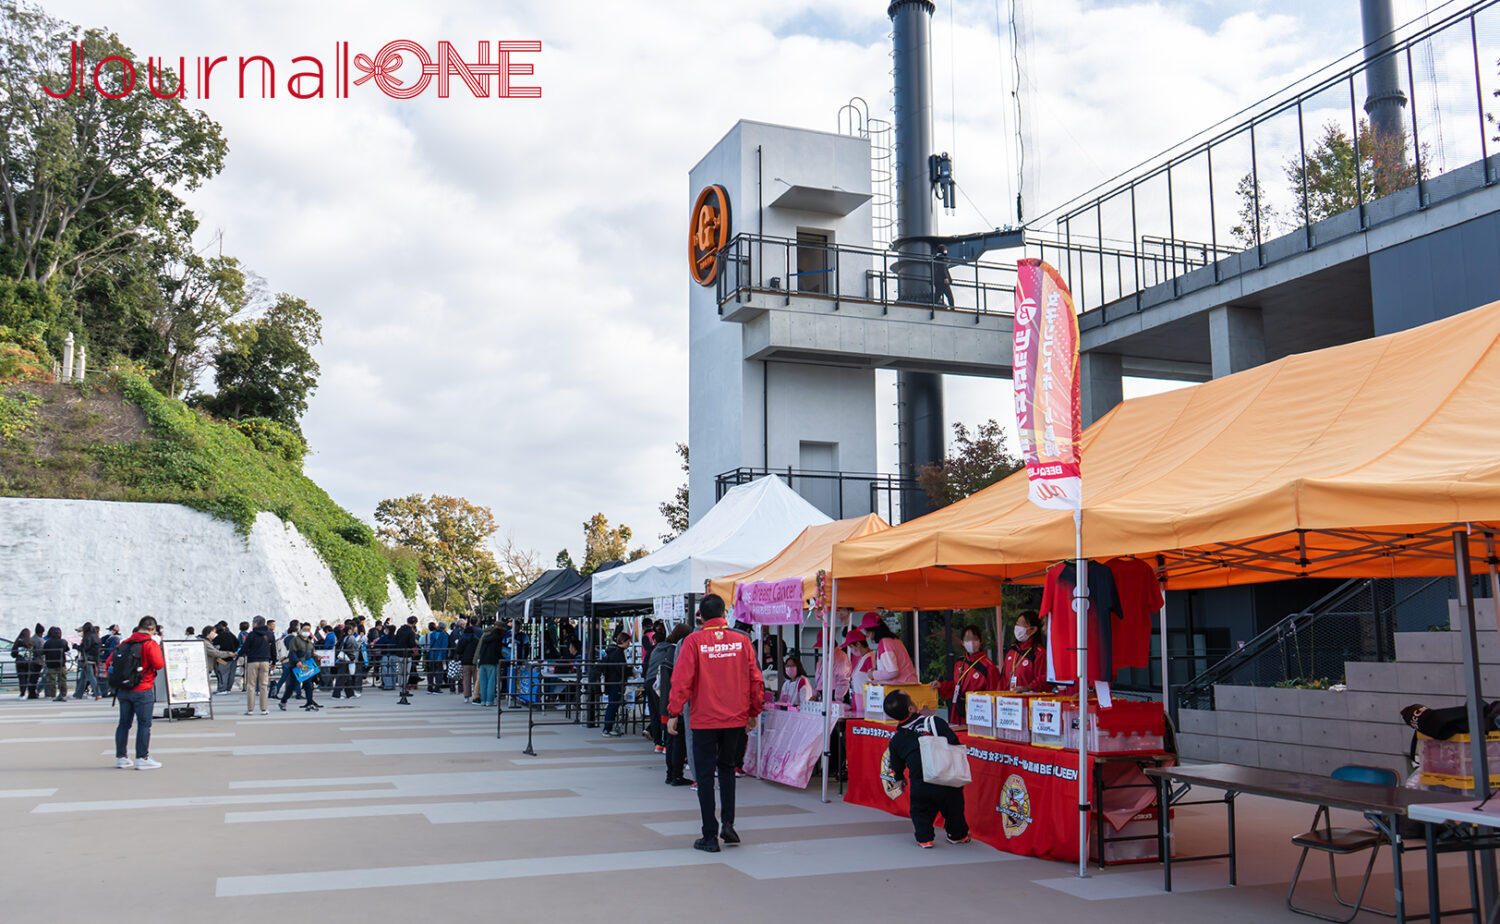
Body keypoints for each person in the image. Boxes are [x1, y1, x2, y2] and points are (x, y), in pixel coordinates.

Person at [666, 594, 764, 853]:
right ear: (724, 613)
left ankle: (710, 834)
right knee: (728, 769)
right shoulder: (742, 641)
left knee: (706, 775)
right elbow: (756, 679)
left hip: (704, 719)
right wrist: (754, 711)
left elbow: (681, 679)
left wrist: (674, 712)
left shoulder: (693, 642)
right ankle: (729, 824)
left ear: (700, 615)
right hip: (735, 718)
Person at [881, 689, 970, 848]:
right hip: (946, 776)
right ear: (911, 708)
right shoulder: (934, 722)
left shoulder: (896, 739)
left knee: (920, 810)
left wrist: (900, 778)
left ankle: (925, 838)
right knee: (954, 808)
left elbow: (896, 764)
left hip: (920, 781)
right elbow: (954, 742)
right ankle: (958, 835)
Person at [110, 617, 166, 769]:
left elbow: (109, 663)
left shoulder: (124, 643)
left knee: (123, 724)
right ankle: (142, 758)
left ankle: (121, 757)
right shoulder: (149, 644)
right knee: (144, 724)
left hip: (123, 690)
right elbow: (159, 664)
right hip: (143, 689)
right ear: (151, 629)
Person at [934, 624, 1003, 723]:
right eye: (967, 639)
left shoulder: (988, 667)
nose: (971, 642)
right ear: (962, 642)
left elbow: (995, 694)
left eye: (974, 638)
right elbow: (955, 686)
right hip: (958, 711)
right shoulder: (960, 663)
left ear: (980, 641)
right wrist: (941, 685)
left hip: (978, 714)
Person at [656, 623, 693, 784]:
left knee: (670, 741)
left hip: (664, 701)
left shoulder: (663, 650)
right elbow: (680, 681)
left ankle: (670, 774)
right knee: (677, 741)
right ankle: (676, 775)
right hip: (674, 703)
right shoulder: (676, 653)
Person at [1000, 610, 1049, 692]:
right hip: (1008, 701)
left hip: (1029, 701)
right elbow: (1003, 679)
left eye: (1021, 625)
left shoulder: (1039, 653)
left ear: (1032, 629)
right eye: (1017, 624)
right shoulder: (1012, 651)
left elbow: (1043, 678)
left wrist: (1029, 688)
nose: (1016, 627)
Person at [645, 626, 676, 753]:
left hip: (649, 681)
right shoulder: (671, 650)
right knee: (662, 712)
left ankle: (658, 743)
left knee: (654, 713)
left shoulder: (655, 650)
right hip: (660, 682)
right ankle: (664, 742)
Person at [279, 623, 320, 711]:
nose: (306, 631)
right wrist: (297, 661)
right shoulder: (295, 640)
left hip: (307, 667)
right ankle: (283, 701)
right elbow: (292, 653)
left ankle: (309, 703)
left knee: (308, 685)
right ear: (300, 630)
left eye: (308, 630)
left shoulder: (310, 642)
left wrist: (317, 657)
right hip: (296, 667)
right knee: (291, 686)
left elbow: (312, 653)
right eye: (304, 629)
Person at [240, 616, 277, 714]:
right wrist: (274, 661)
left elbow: (244, 648)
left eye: (253, 622)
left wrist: (238, 655)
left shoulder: (252, 635)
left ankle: (250, 709)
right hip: (265, 661)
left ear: (256, 623)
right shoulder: (270, 634)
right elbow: (273, 648)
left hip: (252, 661)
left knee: (251, 685)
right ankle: (264, 709)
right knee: (263, 685)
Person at [599, 630, 632, 736]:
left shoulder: (611, 651)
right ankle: (607, 728)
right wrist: (630, 671)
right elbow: (621, 668)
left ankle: (608, 727)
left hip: (611, 680)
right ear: (623, 641)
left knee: (612, 704)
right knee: (613, 705)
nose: (629, 644)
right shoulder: (618, 653)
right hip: (616, 681)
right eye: (628, 642)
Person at [868, 619, 918, 684]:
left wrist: (873, 674)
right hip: (908, 684)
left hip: (901, 686)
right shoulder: (895, 640)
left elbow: (892, 672)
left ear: (872, 632)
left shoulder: (885, 643)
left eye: (867, 632)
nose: (867, 635)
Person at [845, 628, 874, 718]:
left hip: (865, 701)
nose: (851, 650)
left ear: (858, 644)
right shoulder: (863, 658)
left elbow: (873, 680)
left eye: (851, 647)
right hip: (858, 700)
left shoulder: (870, 658)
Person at [72, 623, 104, 699]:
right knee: (83, 677)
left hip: (87, 659)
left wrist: (75, 646)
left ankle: (97, 693)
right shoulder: (95, 636)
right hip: (93, 659)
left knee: (90, 677)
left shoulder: (88, 636)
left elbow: (84, 648)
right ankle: (77, 695)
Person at [476, 624, 503, 706]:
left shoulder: (485, 639)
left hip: (482, 662)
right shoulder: (497, 639)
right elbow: (498, 652)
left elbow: (480, 651)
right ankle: (489, 701)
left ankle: (483, 701)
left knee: (483, 683)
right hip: (492, 662)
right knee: (491, 683)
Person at [41, 627, 70, 702]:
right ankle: (63, 693)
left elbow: (43, 652)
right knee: (62, 679)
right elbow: (67, 649)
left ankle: (52, 694)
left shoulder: (48, 642)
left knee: (51, 680)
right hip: (61, 663)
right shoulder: (63, 641)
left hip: (50, 663)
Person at [454, 623, 479, 702]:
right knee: (476, 679)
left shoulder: (462, 639)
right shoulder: (476, 639)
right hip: (474, 662)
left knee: (466, 680)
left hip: (465, 662)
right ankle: (476, 695)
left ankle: (466, 696)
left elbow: (458, 650)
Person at [11, 629, 38, 700]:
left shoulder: (18, 642)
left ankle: (22, 693)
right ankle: (28, 693)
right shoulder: (31, 642)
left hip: (20, 661)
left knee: (21, 678)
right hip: (29, 662)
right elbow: (35, 653)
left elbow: (13, 653)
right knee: (27, 678)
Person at [425, 621, 450, 693]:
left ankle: (430, 687)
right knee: (439, 672)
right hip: (439, 655)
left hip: (431, 654)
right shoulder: (444, 635)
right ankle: (437, 688)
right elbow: (444, 647)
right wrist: (444, 658)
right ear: (444, 627)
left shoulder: (433, 633)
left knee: (430, 671)